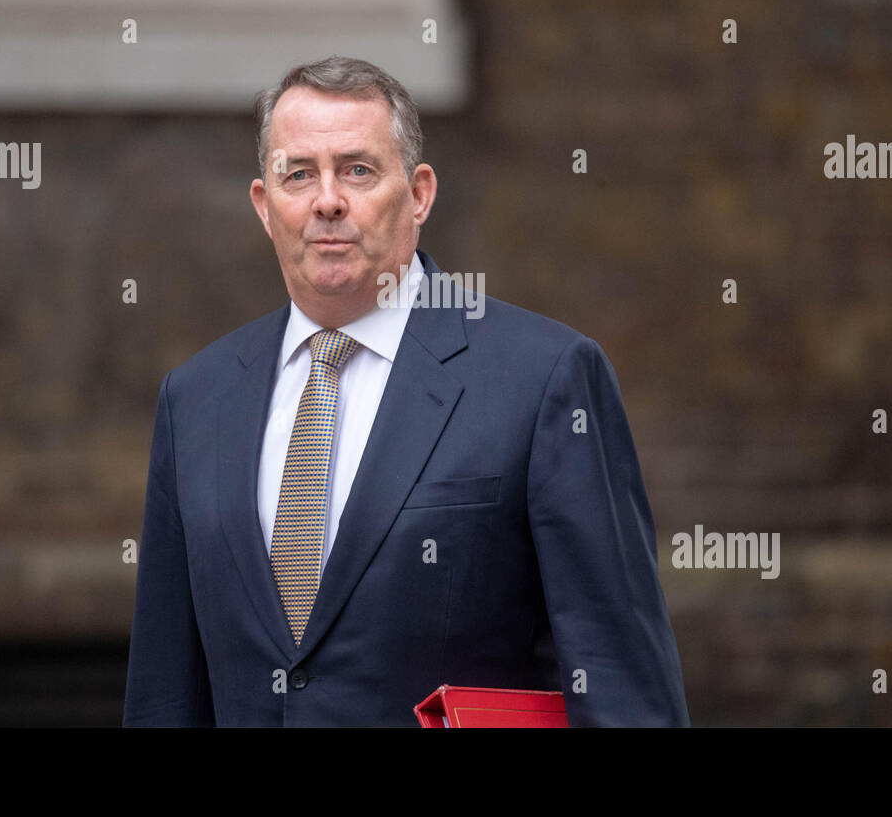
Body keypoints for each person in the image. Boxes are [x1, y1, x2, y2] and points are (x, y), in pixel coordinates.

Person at [122, 55, 689, 726]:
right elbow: (165, 692)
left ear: (419, 193)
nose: (327, 200)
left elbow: (621, 683)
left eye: (357, 169)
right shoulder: (196, 401)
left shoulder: (545, 379)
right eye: (298, 174)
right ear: (264, 207)